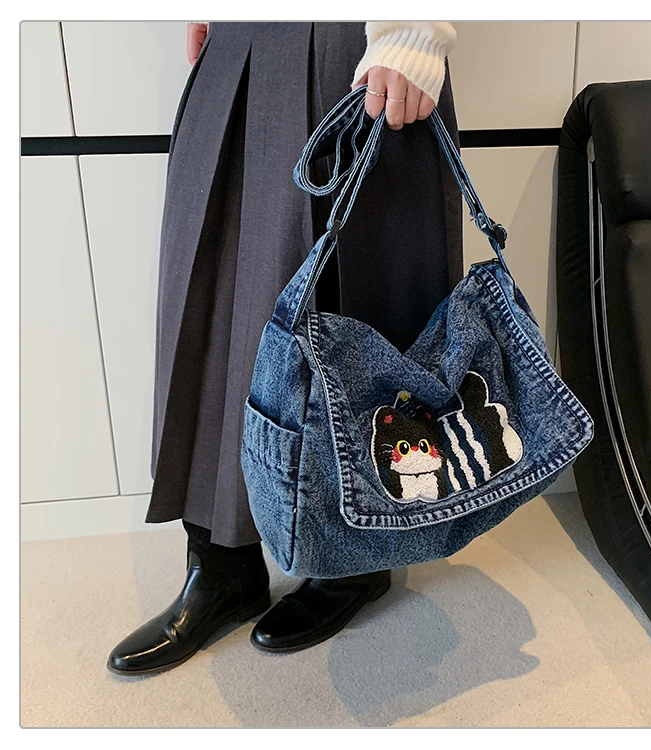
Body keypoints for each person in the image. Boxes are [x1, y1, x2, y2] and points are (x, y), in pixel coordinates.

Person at [107, 21, 462, 675]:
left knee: (355, 305)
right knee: (210, 303)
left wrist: (413, 31)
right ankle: (220, 565)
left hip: (354, 44)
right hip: (239, 40)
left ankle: (353, 561)